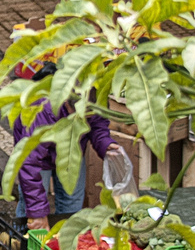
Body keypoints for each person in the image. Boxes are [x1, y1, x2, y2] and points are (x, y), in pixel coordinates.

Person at [14, 62, 121, 228]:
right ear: (66, 104)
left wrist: (105, 144)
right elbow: (29, 163)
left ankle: (63, 240)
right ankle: (20, 240)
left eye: (88, 117)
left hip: (72, 151)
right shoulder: (44, 111)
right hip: (38, 155)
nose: (83, 123)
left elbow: (98, 126)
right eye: (78, 117)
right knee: (31, 204)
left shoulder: (95, 100)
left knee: (71, 204)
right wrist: (37, 213)